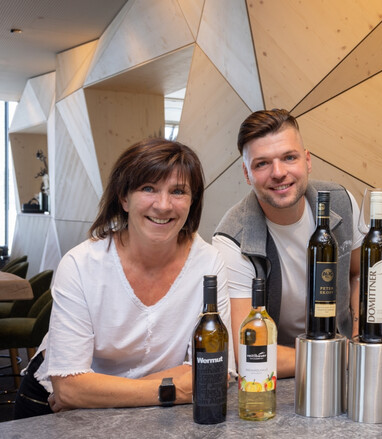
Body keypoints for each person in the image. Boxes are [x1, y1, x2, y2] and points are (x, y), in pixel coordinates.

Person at [14, 138, 233, 419]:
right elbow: (68, 389)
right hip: (52, 407)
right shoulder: (80, 265)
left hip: (149, 410)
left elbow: (216, 371)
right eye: (148, 188)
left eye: (178, 191)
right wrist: (177, 388)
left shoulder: (209, 264)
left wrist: (95, 394)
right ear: (124, 198)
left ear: (193, 201)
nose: (163, 205)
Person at [213, 109, 362, 378]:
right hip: (278, 380)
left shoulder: (342, 202)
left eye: (289, 157)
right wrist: (343, 356)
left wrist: (360, 337)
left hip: (344, 368)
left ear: (307, 160)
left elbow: (360, 273)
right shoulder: (232, 239)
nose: (279, 173)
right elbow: (249, 352)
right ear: (246, 173)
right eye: (262, 164)